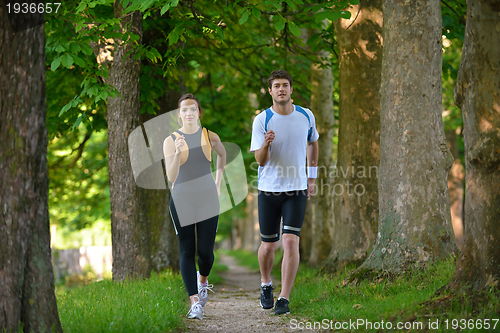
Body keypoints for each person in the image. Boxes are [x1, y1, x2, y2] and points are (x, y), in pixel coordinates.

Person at [250, 70, 319, 315]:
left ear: (291, 89)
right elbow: (260, 161)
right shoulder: (262, 120)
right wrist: (266, 144)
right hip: (269, 190)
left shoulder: (305, 115)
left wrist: (312, 178)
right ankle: (266, 283)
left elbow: (313, 143)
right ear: (270, 91)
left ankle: (283, 298)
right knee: (269, 246)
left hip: (297, 188)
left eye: (285, 85)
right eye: (276, 85)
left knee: (291, 241)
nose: (281, 89)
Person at [163, 93, 226, 319]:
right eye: (184, 109)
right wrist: (178, 152)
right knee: (187, 250)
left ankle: (203, 281)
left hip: (208, 198)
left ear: (199, 113)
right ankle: (195, 302)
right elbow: (171, 177)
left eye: (193, 109)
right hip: (181, 199)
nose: (188, 113)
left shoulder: (209, 136)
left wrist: (218, 184)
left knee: (206, 254)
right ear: (179, 114)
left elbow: (222, 154)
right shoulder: (171, 140)